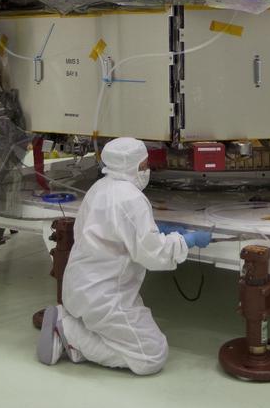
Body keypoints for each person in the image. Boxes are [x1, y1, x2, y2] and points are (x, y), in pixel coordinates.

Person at [37, 137, 211, 375]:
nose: (147, 170)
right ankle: (69, 330)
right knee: (151, 356)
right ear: (131, 165)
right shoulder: (131, 198)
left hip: (79, 288)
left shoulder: (99, 188)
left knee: (127, 338)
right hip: (106, 298)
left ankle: (73, 328)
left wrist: (158, 231)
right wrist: (185, 241)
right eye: (144, 165)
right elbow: (153, 255)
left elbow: (115, 231)